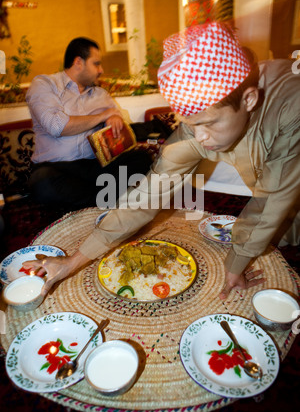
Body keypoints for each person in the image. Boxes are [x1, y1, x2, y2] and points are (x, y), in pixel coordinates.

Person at [23, 22, 300, 300]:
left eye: (209, 124)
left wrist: (236, 263)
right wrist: (72, 262)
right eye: (191, 126)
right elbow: (146, 196)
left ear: (250, 100)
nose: (200, 138)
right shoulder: (197, 128)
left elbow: (272, 197)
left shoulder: (291, 104)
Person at [26, 37, 152, 210]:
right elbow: (57, 126)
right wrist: (103, 115)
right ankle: (105, 199)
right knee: (43, 184)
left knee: (142, 158)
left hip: (94, 166)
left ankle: (94, 200)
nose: (101, 70)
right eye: (96, 64)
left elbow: (117, 120)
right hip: (57, 168)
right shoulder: (44, 85)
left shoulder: (100, 94)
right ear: (79, 62)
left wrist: (114, 119)